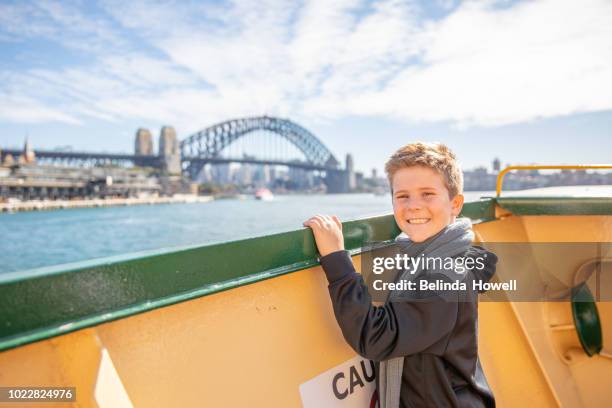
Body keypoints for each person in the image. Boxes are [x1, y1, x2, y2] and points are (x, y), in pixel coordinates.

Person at [303, 142, 497, 408]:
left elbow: (376, 338)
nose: (413, 206)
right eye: (402, 196)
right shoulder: (434, 254)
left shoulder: (447, 274)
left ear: (455, 204)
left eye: (427, 194)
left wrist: (336, 259)